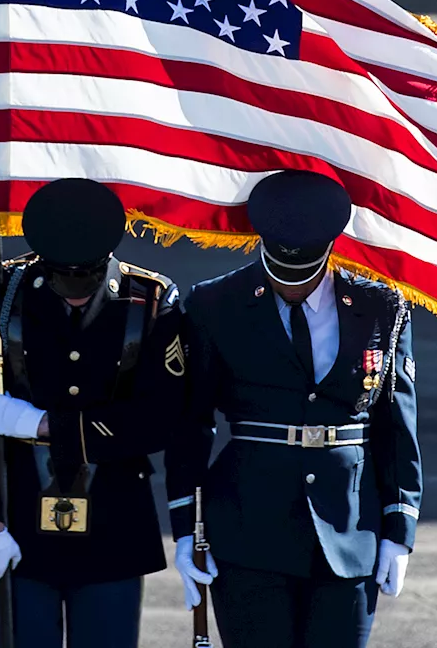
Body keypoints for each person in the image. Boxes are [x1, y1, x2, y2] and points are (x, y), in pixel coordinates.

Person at [166, 169, 422, 648]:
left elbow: (395, 425)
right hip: (247, 528)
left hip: (350, 530)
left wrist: (399, 526)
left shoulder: (380, 306)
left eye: (302, 278)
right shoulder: (215, 304)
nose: (291, 289)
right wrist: (185, 529)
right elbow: (190, 425)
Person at [0, 177, 187, 648]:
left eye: (85, 279)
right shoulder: (4, 292)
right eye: (64, 281)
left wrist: (44, 425)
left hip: (113, 524)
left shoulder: (149, 302)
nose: (75, 293)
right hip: (19, 518)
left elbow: (161, 417)